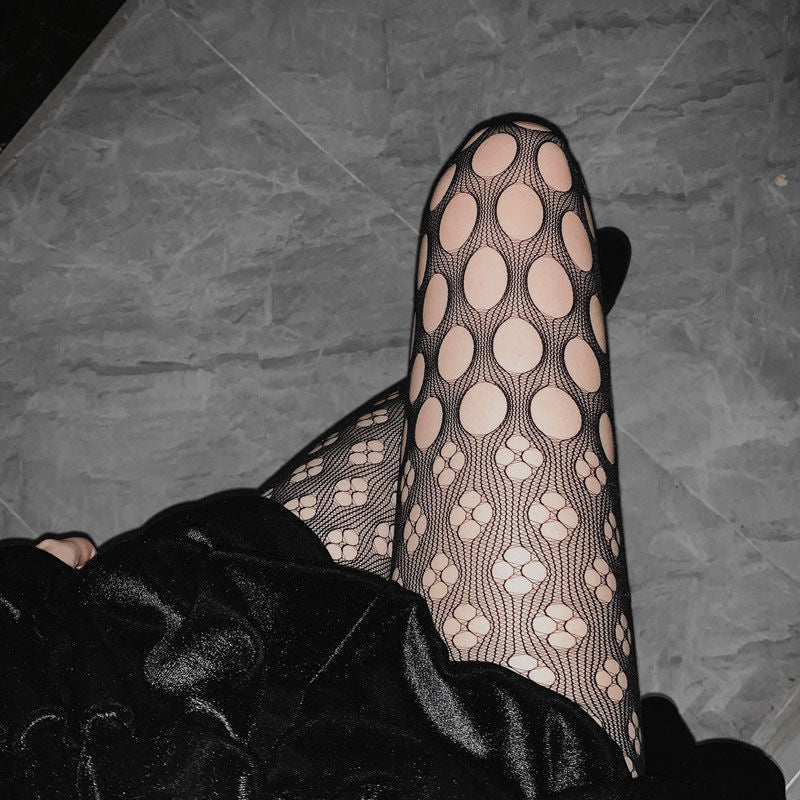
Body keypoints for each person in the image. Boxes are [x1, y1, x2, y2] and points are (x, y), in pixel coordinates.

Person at [7, 114, 784, 799]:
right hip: (465, 766)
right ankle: (538, 341)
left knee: (493, 327)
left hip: (175, 691)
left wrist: (24, 596)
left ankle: (524, 349)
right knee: (510, 183)